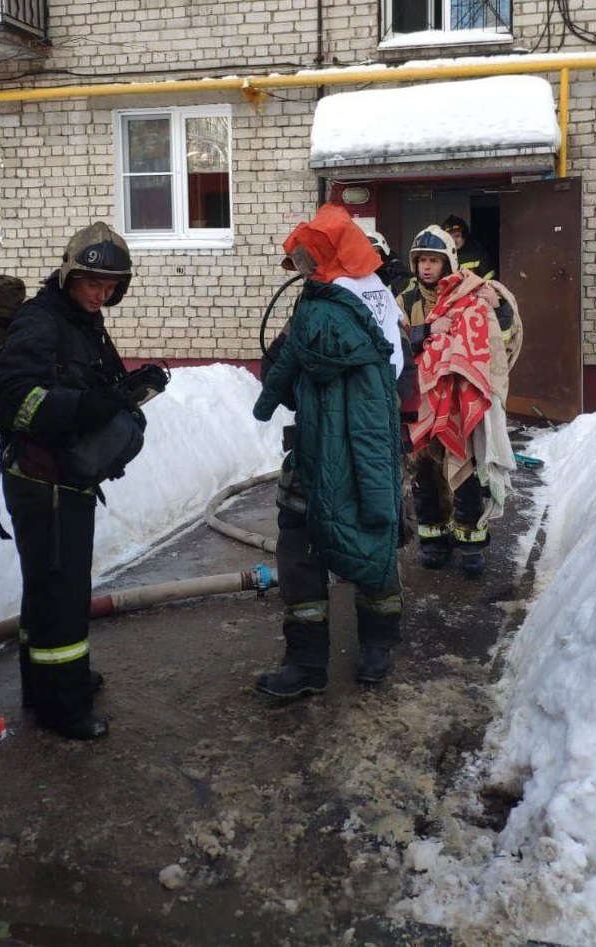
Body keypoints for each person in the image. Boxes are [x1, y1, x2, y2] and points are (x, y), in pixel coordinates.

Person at [0, 222, 149, 740]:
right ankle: (64, 705)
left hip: (65, 478)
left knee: (49, 590)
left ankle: (46, 682)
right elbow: (11, 400)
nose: (101, 294)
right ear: (70, 275)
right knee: (61, 591)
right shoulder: (41, 322)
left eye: (111, 286)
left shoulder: (81, 320)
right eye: (92, 283)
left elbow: (91, 383)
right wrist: (84, 407)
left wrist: (130, 390)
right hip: (42, 481)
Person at [253, 203, 406, 700]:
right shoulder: (347, 309)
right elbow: (288, 375)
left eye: (304, 261)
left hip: (353, 452)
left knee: (363, 538)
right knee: (309, 550)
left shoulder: (348, 312)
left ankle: (358, 652)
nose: (298, 271)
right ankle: (316, 661)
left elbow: (286, 377)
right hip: (329, 454)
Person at [398, 225, 521, 578]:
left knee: (466, 474)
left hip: (459, 404)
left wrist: (498, 312)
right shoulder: (404, 301)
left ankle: (471, 545)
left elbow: (500, 340)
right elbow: (393, 344)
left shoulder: (473, 296)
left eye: (433, 260)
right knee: (424, 475)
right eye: (421, 260)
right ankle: (433, 541)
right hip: (420, 404)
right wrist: (426, 333)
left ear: (448, 262)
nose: (426, 267)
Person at [441, 214, 496, 280]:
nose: (454, 241)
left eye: (457, 236)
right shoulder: (441, 254)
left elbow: (489, 278)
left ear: (465, 236)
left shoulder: (478, 253)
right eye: (450, 237)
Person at [368, 230, 413, 295]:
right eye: (368, 253)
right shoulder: (363, 273)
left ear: (383, 251)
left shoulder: (397, 271)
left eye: (376, 251)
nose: (372, 256)